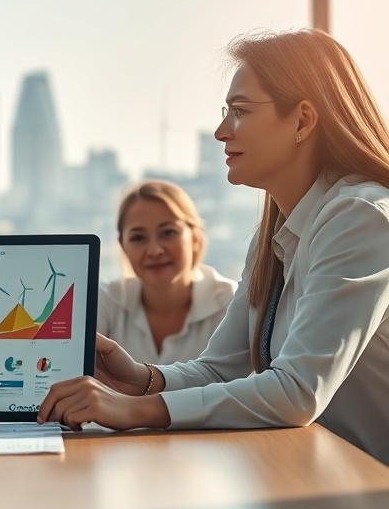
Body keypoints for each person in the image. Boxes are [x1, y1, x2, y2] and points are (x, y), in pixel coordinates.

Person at [38, 29, 389, 465]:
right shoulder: (274, 232)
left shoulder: (360, 216)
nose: (222, 131)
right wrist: (141, 379)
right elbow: (222, 369)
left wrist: (130, 410)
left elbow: (297, 391)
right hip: (318, 472)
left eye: (240, 112)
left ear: (301, 121)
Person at [99, 181, 235, 365]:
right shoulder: (105, 301)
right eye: (138, 238)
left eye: (168, 233)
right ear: (123, 246)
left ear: (195, 238)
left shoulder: (229, 302)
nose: (154, 250)